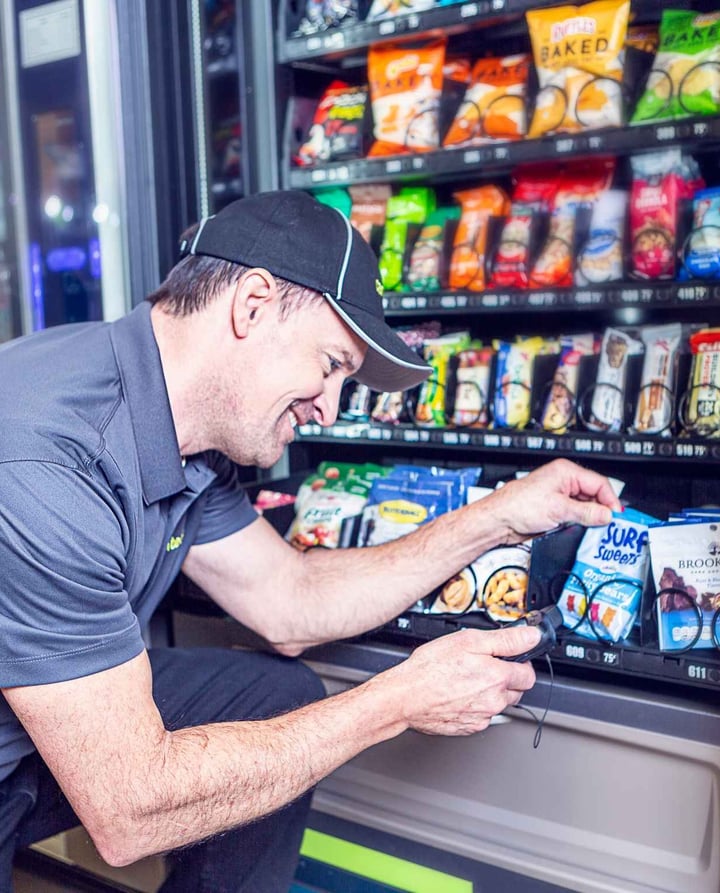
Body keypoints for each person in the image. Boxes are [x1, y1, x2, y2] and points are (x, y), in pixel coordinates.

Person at [0, 190, 621, 891]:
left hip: (32, 741)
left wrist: (500, 515)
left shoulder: (185, 433)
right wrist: (396, 701)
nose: (328, 406)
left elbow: (289, 599)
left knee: (279, 694)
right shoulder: (45, 460)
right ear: (253, 304)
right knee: (163, 784)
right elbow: (129, 812)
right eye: (330, 364)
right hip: (43, 767)